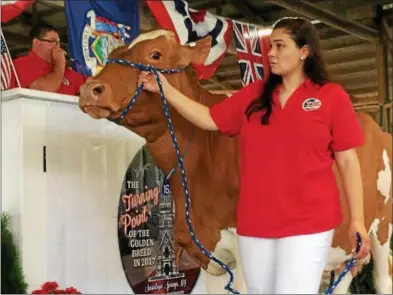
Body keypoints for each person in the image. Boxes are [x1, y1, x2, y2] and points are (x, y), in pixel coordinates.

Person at [138, 17, 371, 294]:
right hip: (255, 223)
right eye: (270, 45)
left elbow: (347, 161)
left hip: (309, 222)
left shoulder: (331, 97)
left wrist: (357, 219)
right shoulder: (255, 96)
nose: (271, 53)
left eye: (280, 46)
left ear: (304, 52)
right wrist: (166, 90)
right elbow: (209, 119)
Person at [10, 24, 86, 96]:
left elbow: (91, 86)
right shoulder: (21, 64)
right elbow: (41, 92)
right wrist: (60, 63)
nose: (57, 46)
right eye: (52, 41)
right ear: (36, 42)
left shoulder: (66, 71)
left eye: (58, 42)